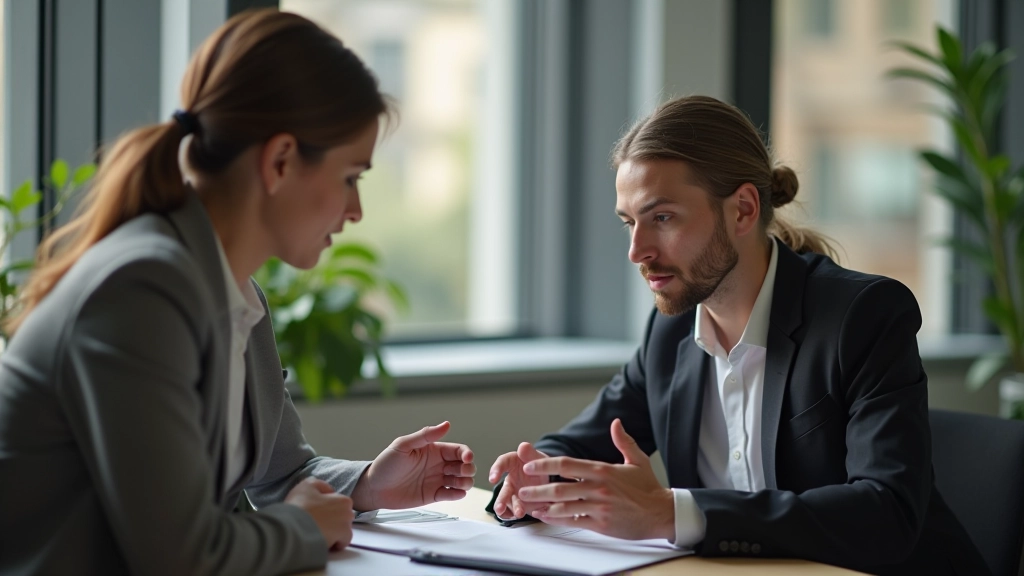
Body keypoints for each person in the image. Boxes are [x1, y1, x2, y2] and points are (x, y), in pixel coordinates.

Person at [0, 10, 475, 576]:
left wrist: (369, 484)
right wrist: (303, 528)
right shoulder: (140, 292)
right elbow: (179, 557)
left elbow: (281, 477)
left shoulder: (232, 291)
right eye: (351, 177)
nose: (356, 211)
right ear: (279, 161)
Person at [487, 95, 989, 576]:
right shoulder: (670, 332)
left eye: (662, 218)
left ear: (743, 210)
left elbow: (887, 512)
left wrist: (671, 513)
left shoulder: (863, 316)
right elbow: (579, 444)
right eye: (629, 223)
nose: (637, 250)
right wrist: (534, 474)